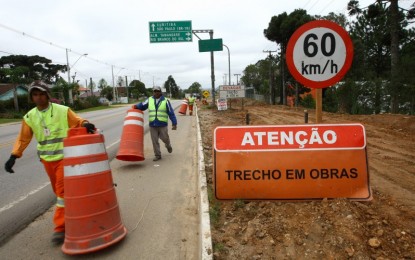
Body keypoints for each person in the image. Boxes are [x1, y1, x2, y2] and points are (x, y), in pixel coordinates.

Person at [4, 80, 95, 245]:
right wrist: (14, 156)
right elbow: (23, 138)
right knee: (59, 192)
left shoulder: (62, 110)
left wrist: (86, 124)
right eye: (35, 95)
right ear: (32, 97)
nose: (39, 98)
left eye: (41, 94)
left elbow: (78, 121)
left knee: (62, 193)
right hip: (47, 160)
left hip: (65, 158)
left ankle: (60, 228)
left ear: (47, 95)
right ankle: (74, 212)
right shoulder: (30, 116)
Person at [132, 86, 177, 161]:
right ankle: (157, 155)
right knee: (154, 141)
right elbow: (142, 105)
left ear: (160, 92)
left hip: (162, 124)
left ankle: (168, 145)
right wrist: (135, 106)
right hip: (153, 124)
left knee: (165, 138)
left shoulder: (165, 101)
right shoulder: (150, 99)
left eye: (157, 91)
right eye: (154, 91)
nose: (156, 93)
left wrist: (174, 123)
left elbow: (171, 112)